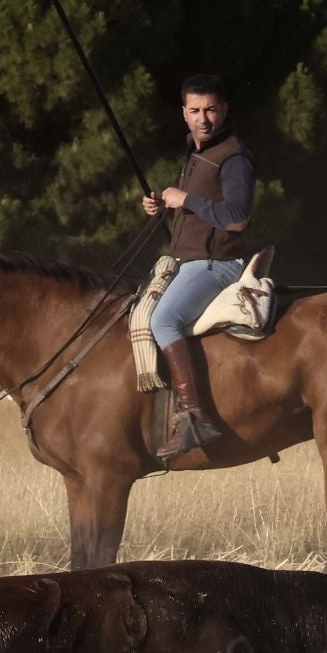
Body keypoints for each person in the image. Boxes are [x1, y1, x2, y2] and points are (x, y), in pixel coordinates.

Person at [140, 73, 256, 455]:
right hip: (187, 260)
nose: (202, 118)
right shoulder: (196, 150)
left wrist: (185, 198)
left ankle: (196, 418)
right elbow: (195, 213)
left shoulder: (233, 156)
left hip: (217, 264)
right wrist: (162, 208)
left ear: (223, 110)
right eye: (194, 110)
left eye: (209, 109)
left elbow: (237, 218)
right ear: (184, 113)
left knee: (162, 320)